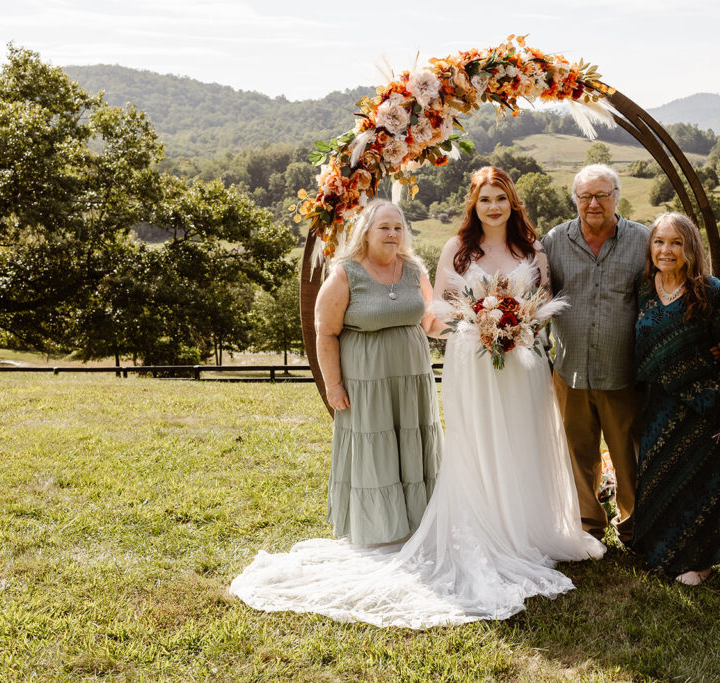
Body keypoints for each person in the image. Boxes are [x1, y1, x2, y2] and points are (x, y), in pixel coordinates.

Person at [230, 168, 603, 628]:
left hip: (521, 360)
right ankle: (483, 524)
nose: (493, 206)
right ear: (474, 204)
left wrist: (516, 326)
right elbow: (439, 307)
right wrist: (479, 324)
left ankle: (528, 528)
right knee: (477, 445)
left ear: (512, 204)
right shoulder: (455, 250)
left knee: (523, 440)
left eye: (501, 199)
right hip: (472, 359)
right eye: (485, 198)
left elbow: (542, 301)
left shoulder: (533, 250)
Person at [313, 199, 442, 545]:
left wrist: (473, 322)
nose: (392, 234)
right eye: (384, 227)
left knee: (414, 445)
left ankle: (417, 523)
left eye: (398, 227)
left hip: (412, 378)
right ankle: (380, 529)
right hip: (367, 381)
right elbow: (325, 331)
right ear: (366, 232)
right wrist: (334, 385)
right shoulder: (345, 272)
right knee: (376, 447)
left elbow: (430, 320)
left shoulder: (415, 269)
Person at [630, 212, 720, 586]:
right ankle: (660, 553)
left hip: (704, 407)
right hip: (656, 405)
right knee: (661, 479)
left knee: (701, 485)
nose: (666, 250)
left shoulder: (713, 292)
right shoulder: (644, 288)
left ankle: (701, 562)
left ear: (691, 248)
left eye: (676, 243)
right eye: (659, 242)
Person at [541, 164, 649, 545]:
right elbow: (539, 298)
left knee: (628, 457)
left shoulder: (643, 241)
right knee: (577, 455)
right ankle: (589, 528)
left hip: (622, 372)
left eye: (602, 195)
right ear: (575, 200)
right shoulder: (554, 241)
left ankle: (634, 528)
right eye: (585, 196)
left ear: (617, 197)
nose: (593, 204)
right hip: (569, 371)